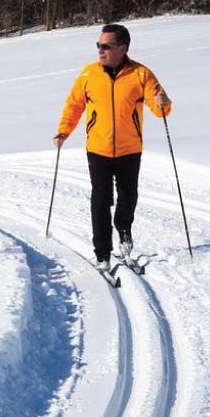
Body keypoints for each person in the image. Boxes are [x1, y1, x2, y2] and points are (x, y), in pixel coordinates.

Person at [53, 24, 172, 271]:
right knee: (100, 200)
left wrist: (163, 102)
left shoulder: (141, 74)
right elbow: (74, 106)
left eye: (106, 46)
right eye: (98, 45)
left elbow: (159, 106)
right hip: (98, 149)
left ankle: (124, 230)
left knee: (128, 198)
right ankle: (102, 253)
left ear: (122, 48)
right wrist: (64, 131)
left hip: (130, 149)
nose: (100, 50)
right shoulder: (88, 75)